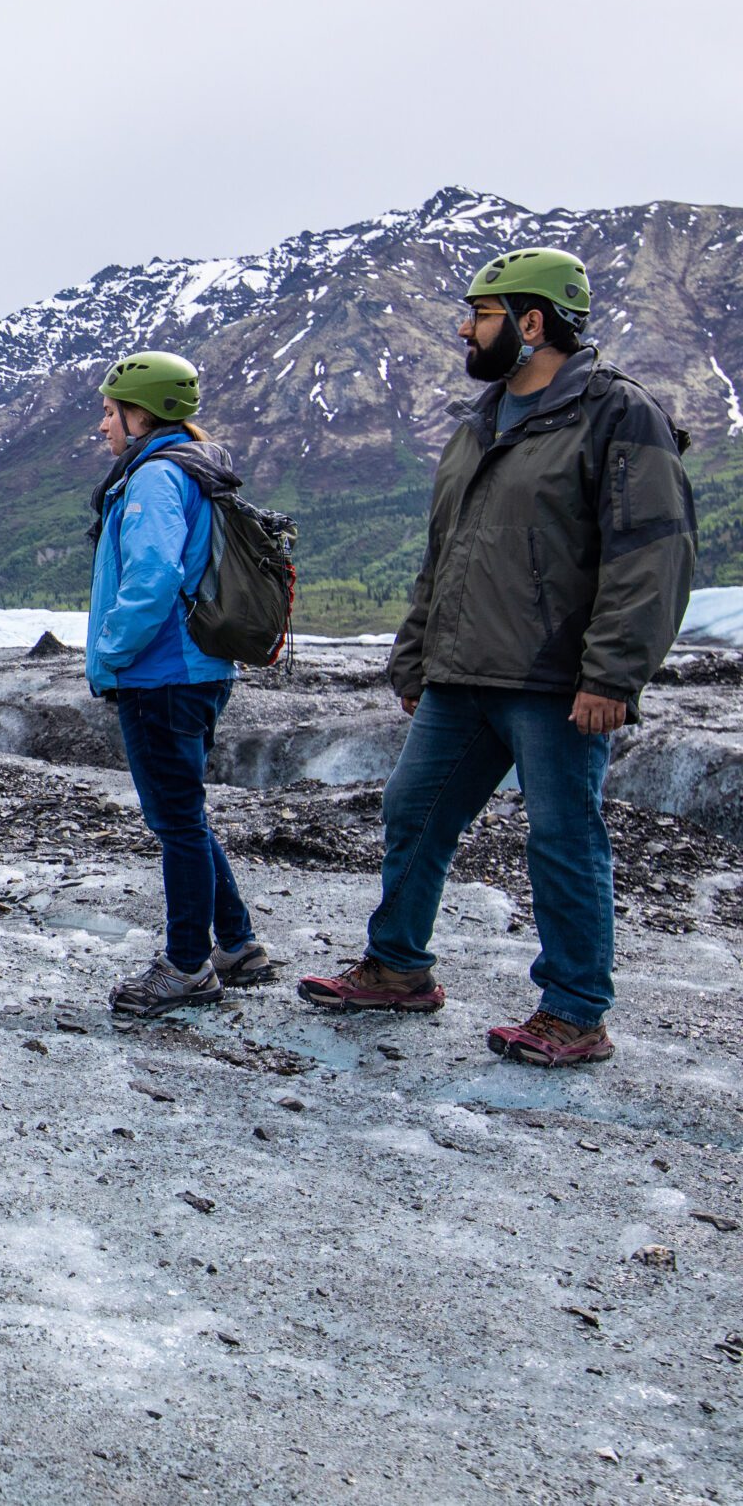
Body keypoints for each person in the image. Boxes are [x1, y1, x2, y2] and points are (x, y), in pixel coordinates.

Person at [299, 247, 695, 1067]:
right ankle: (399, 965)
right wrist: (416, 655)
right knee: (413, 808)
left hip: (555, 681)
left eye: (479, 315)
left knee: (561, 837)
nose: (464, 329)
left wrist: (613, 672)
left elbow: (650, 552)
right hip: (462, 675)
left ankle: (576, 1010)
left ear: (532, 322)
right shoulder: (479, 422)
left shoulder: (618, 414)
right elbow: (445, 551)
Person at [85, 350, 270, 1018]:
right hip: (196, 667)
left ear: (141, 414)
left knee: (176, 822)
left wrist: (111, 651)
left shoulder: (158, 476)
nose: (103, 425)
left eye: (109, 411)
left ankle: (188, 964)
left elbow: (154, 575)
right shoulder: (190, 465)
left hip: (162, 673)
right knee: (185, 812)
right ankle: (238, 943)